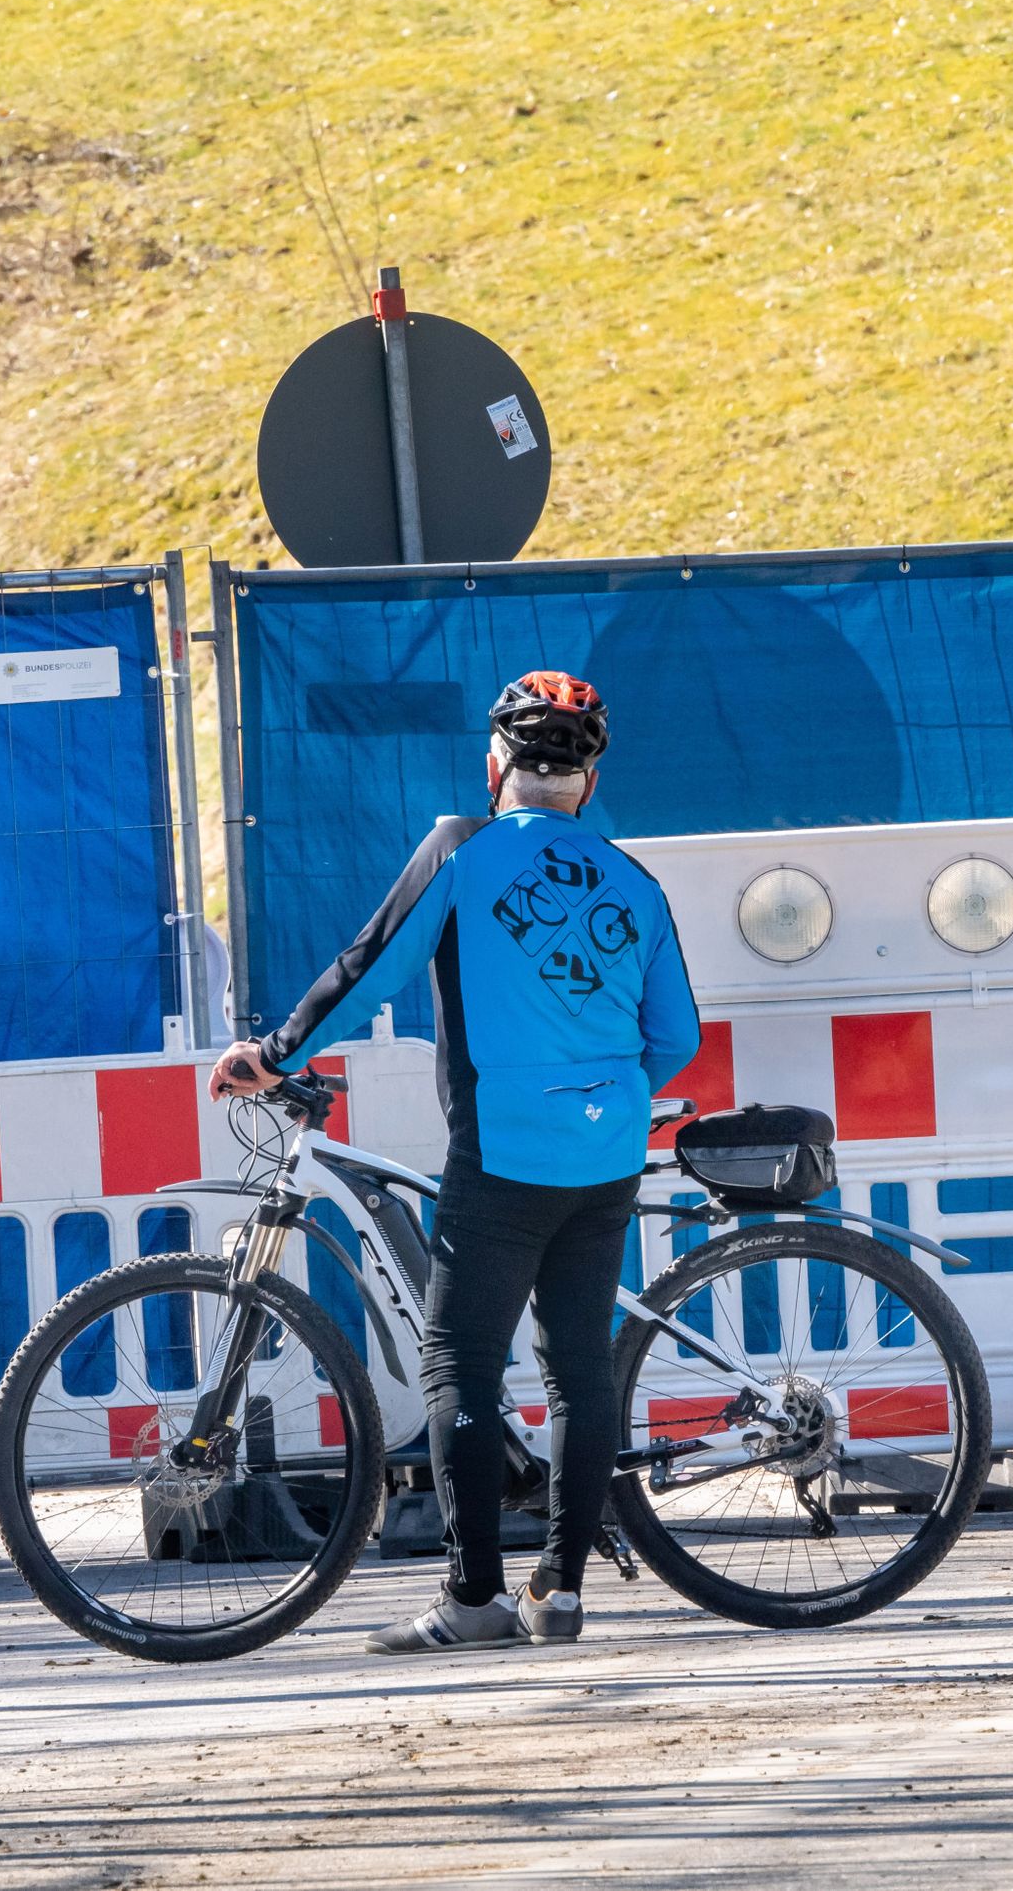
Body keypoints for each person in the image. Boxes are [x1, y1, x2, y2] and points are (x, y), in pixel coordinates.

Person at [210, 670, 698, 1652]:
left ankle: (474, 1599)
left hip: (503, 1149)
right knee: (578, 1369)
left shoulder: (461, 849)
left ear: (494, 768)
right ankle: (559, 1594)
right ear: (590, 780)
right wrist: (601, 1101)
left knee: (462, 1362)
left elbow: (369, 965)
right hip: (604, 1149)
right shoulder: (635, 881)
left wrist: (276, 1052)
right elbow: (676, 1035)